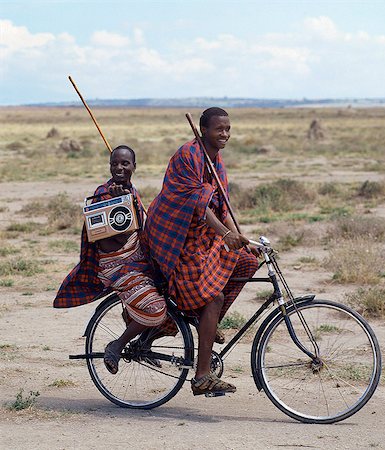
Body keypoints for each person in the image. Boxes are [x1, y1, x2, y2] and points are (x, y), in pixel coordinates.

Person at [147, 107, 259, 396]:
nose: (225, 134)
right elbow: (198, 205)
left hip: (201, 240)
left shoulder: (216, 161)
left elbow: (222, 207)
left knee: (246, 261)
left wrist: (241, 237)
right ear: (204, 130)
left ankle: (205, 323)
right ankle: (202, 375)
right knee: (213, 297)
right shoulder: (188, 156)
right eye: (219, 129)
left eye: (228, 129)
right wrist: (225, 234)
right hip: (176, 241)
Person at [53, 145, 167, 374]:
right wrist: (120, 206)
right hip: (116, 265)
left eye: (125, 163)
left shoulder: (131, 191)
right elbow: (109, 240)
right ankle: (117, 346)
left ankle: (144, 345)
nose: (119, 168)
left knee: (174, 288)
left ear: (134, 166)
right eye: (115, 163)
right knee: (156, 309)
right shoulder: (103, 195)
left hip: (136, 258)